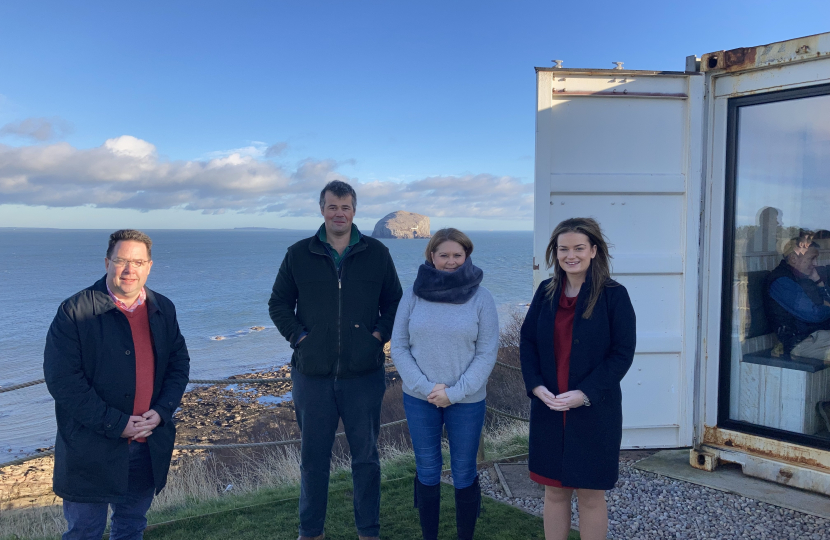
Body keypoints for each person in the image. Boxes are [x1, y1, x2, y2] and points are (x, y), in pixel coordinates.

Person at [268, 180, 402, 540]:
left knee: (367, 459)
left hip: (364, 375)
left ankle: (368, 531)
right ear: (322, 209)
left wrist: (376, 337)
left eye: (345, 207)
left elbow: (394, 303)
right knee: (313, 461)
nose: (338, 213)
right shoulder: (299, 253)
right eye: (332, 206)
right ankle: (310, 531)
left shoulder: (377, 253)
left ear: (354, 211)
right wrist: (300, 338)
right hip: (312, 376)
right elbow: (278, 303)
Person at [43, 229, 191, 540]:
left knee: (131, 527)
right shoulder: (74, 311)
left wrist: (163, 410)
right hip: (90, 447)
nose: (129, 270)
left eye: (138, 262)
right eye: (121, 260)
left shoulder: (163, 308)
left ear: (149, 266)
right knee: (84, 532)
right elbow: (63, 382)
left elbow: (179, 364)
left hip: (147, 443)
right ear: (107, 262)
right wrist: (117, 423)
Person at [519, 217, 636, 540]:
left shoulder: (614, 295)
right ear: (555, 253)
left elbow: (622, 354)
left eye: (579, 248)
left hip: (594, 410)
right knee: (554, 492)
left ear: (594, 251)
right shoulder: (546, 292)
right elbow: (527, 341)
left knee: (590, 495)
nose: (571, 255)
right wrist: (536, 386)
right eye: (563, 249)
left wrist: (585, 393)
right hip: (548, 407)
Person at [391, 228, 499, 540]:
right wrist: (427, 389)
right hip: (419, 398)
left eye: (457, 255)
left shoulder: (482, 298)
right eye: (443, 255)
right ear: (431, 257)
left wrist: (453, 393)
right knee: (427, 470)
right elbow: (399, 346)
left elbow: (486, 352)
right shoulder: (412, 295)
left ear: (466, 257)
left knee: (464, 472)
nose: (450, 261)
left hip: (466, 400)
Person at [764, 235, 830, 361]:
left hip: (820, 335)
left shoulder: (806, 277)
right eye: (812, 259)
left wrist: (819, 282)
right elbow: (814, 314)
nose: (815, 264)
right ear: (794, 259)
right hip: (801, 343)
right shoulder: (781, 281)